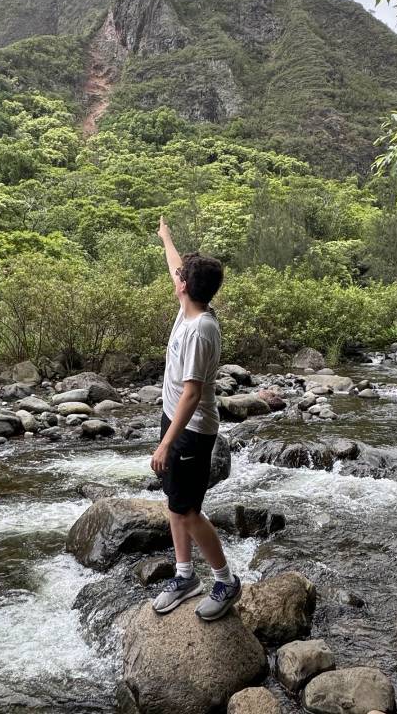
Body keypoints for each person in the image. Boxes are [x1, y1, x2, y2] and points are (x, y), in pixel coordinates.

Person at [150, 216, 241, 621]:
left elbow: (191, 393)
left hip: (190, 430)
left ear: (185, 287)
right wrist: (166, 236)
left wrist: (166, 443)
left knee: (188, 511)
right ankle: (185, 576)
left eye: (180, 277)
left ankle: (225, 580)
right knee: (175, 503)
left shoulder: (201, 329)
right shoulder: (189, 308)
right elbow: (175, 266)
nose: (176, 278)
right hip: (174, 420)